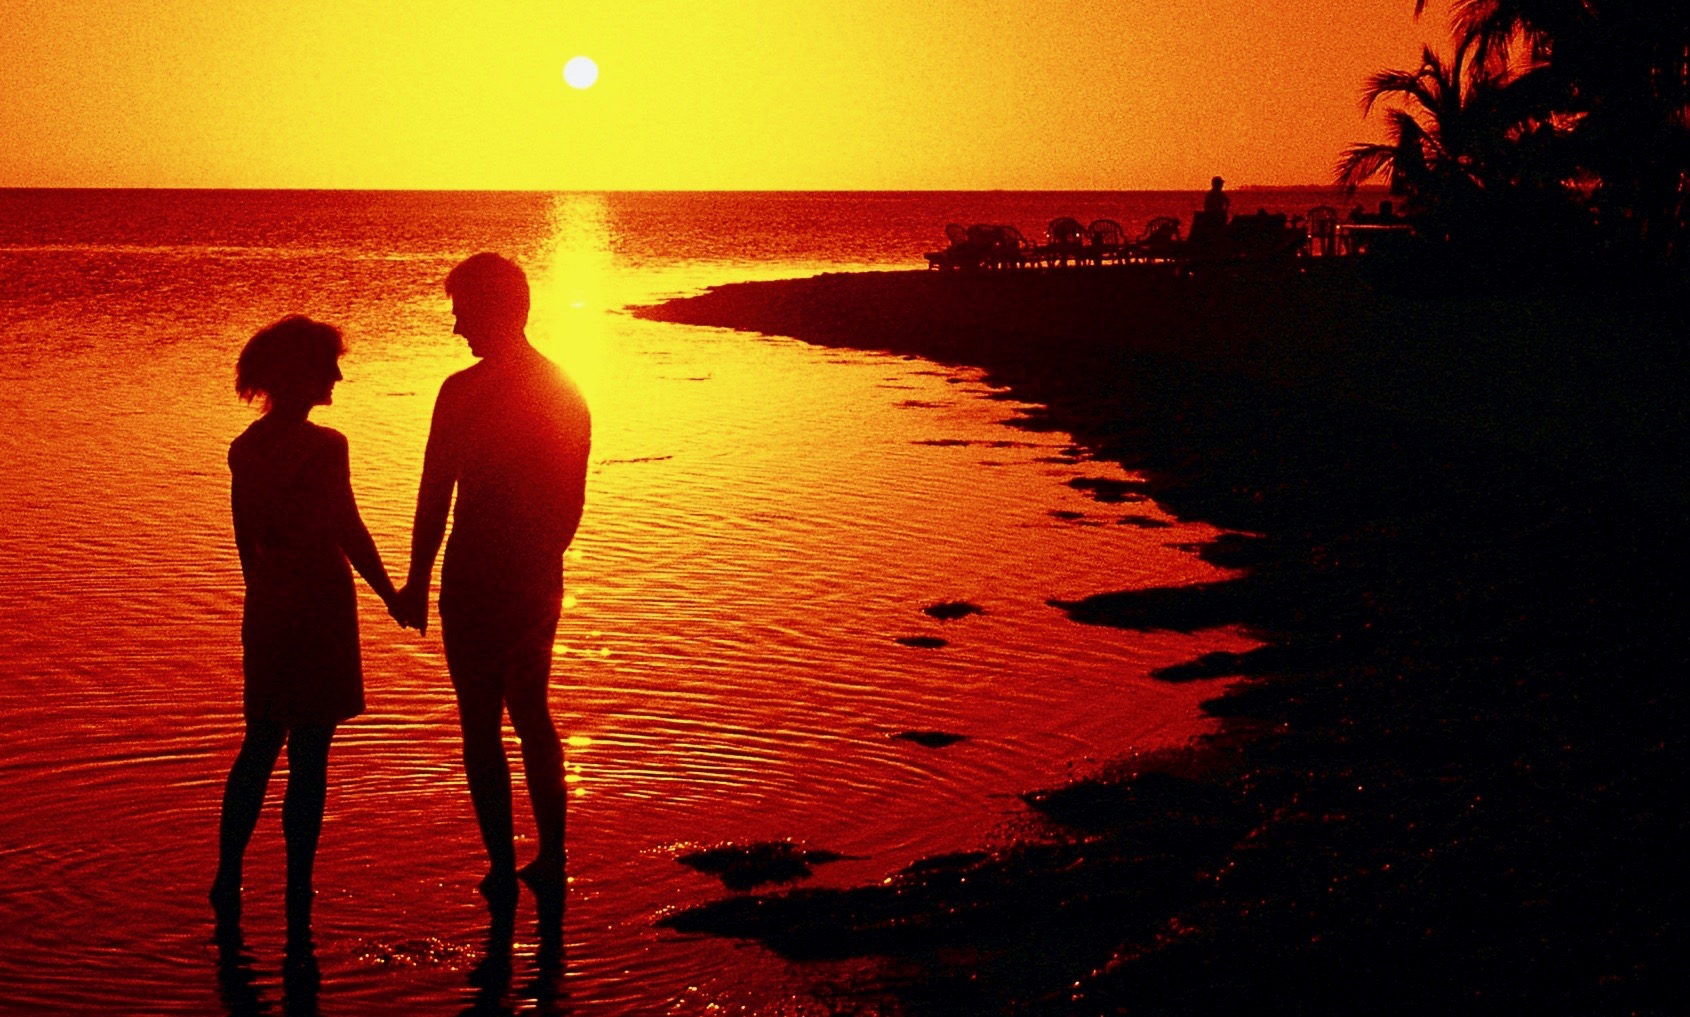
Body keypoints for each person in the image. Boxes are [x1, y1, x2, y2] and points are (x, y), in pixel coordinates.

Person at [394, 253, 591, 899]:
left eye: (463, 312)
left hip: (503, 576)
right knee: (511, 717)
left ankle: (528, 862)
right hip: (495, 575)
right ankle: (525, 861)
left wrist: (425, 577)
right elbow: (438, 492)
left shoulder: (493, 392)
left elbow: (560, 504)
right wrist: (420, 579)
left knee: (499, 718)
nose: (456, 328)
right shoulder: (552, 388)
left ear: (498, 309)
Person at [211, 315, 399, 935]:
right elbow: (348, 529)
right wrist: (393, 595)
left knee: (259, 743)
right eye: (329, 366)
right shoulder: (325, 446)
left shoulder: (245, 448)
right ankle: (298, 887)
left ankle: (226, 879)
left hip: (267, 606)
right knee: (311, 754)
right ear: (301, 374)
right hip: (319, 607)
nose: (339, 375)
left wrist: (265, 598)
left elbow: (247, 546)